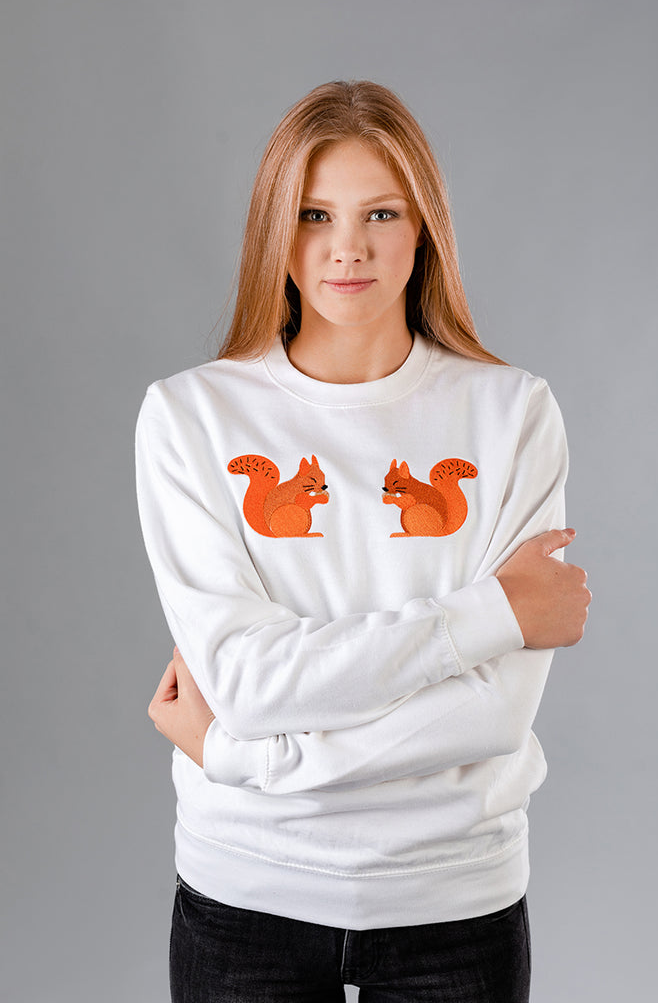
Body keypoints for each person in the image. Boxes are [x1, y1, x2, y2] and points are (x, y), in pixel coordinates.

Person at [136, 80, 590, 1003]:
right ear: (275, 232)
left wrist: (243, 755)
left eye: (380, 213)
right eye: (314, 215)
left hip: (454, 900)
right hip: (246, 893)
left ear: (423, 230)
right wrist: (494, 613)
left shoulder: (512, 414)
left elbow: (491, 716)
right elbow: (245, 683)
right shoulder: (190, 416)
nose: (348, 247)